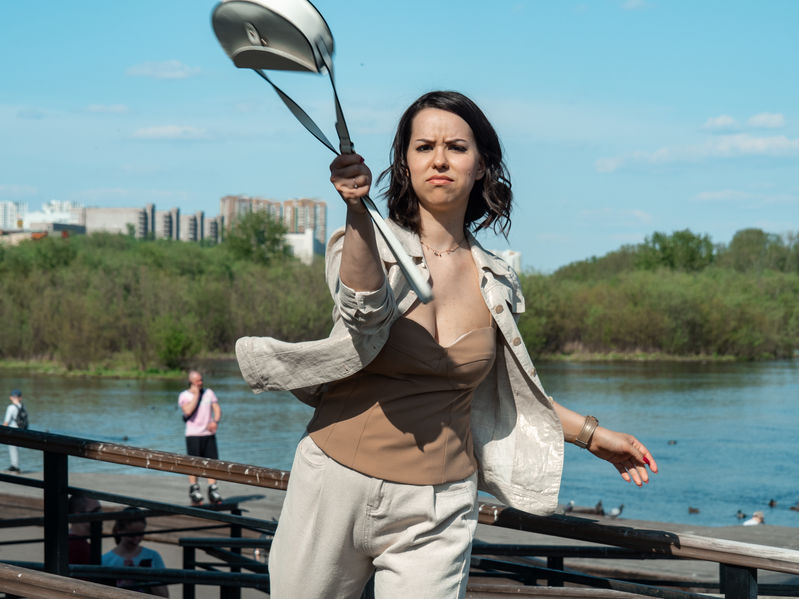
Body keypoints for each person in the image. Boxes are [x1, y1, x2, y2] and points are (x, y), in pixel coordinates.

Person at [235, 90, 658, 598]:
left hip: (438, 508)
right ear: (405, 163)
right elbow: (363, 312)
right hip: (331, 487)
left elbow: (506, 394)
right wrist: (354, 210)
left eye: (456, 147)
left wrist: (593, 435)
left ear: (482, 166)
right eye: (423, 147)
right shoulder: (366, 245)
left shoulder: (497, 279)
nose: (439, 159)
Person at [102, 507, 169, 597]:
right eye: (131, 535)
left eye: (140, 534)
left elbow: (164, 595)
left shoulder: (153, 556)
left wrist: (146, 575)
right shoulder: (105, 560)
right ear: (119, 530)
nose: (136, 539)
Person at [178, 370, 223, 505]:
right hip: (193, 434)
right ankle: (194, 489)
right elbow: (188, 411)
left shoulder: (209, 393)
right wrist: (196, 394)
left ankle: (213, 489)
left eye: (201, 380)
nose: (201, 383)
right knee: (193, 463)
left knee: (212, 463)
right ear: (191, 381)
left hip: (208, 434)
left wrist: (215, 421)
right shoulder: (184, 395)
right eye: (198, 381)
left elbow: (216, 408)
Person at [68, 491, 102, 566]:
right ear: (79, 515)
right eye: (95, 512)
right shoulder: (79, 548)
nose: (101, 516)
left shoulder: (66, 541)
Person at [3, 389, 24, 473]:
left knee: (13, 448)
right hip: (21, 430)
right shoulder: (22, 406)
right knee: (15, 448)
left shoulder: (11, 407)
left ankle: (15, 466)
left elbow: (6, 422)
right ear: (20, 398)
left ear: (11, 397)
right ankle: (15, 465)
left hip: (12, 430)